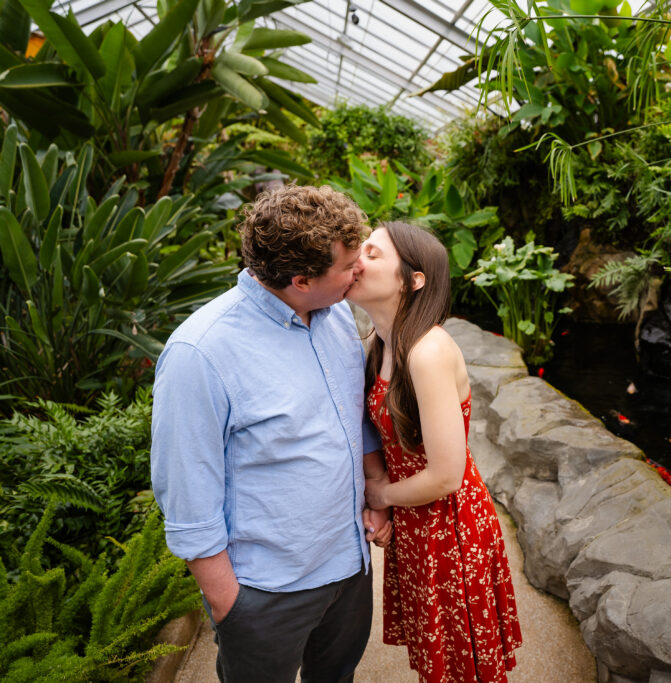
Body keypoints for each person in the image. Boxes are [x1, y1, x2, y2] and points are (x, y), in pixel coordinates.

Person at [150, 185, 392, 683]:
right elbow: (186, 491)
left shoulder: (336, 313)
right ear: (301, 279)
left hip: (348, 566)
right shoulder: (201, 352)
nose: (359, 272)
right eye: (348, 267)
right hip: (267, 590)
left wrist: (376, 492)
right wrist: (229, 604)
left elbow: (354, 415)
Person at [347, 221, 523, 682]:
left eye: (372, 253)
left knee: (464, 666)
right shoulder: (379, 343)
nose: (356, 259)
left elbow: (447, 474)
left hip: (450, 525)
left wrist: (381, 497)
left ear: (413, 279)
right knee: (440, 663)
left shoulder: (426, 352)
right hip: (419, 522)